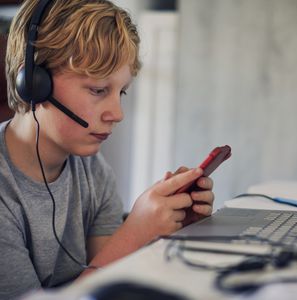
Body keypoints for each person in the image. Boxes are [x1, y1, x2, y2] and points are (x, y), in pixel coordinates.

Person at [0, 0, 215, 299]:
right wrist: (135, 231)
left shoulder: (92, 169)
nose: (117, 113)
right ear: (34, 83)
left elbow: (108, 279)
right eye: (98, 90)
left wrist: (165, 231)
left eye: (121, 91)